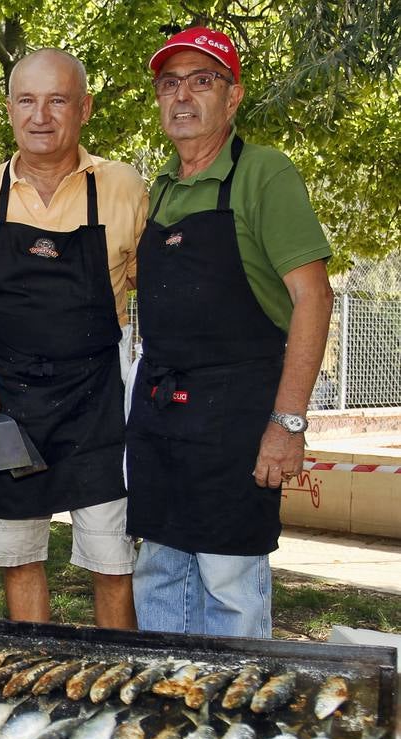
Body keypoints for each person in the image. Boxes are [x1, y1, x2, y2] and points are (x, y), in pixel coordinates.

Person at [127, 27, 334, 638]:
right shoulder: (160, 188)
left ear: (233, 96)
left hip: (238, 416)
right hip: (162, 413)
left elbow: (314, 298)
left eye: (202, 80)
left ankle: (239, 722)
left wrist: (287, 422)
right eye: (170, 84)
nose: (182, 97)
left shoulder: (264, 174)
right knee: (158, 574)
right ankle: (170, 714)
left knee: (229, 586)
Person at [0, 49, 146, 628]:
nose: (41, 115)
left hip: (95, 404)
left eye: (57, 100)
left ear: (84, 108)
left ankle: (116, 683)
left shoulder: (124, 186)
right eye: (27, 100)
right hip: (6, 404)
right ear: (9, 109)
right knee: (19, 558)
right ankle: (38, 681)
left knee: (113, 562)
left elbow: (149, 283)